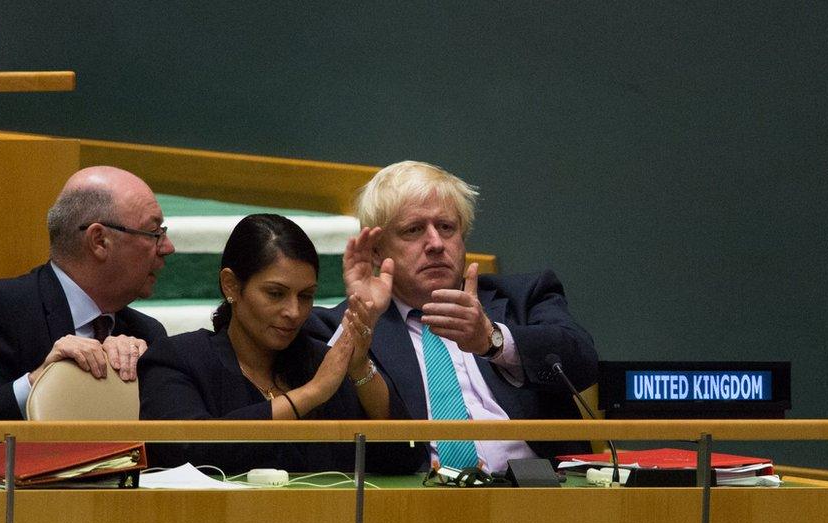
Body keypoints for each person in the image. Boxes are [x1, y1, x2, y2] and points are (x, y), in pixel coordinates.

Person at [305, 160, 599, 474]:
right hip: (418, 502)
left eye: (447, 227)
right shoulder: (338, 327)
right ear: (377, 252)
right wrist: (361, 317)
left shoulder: (523, 298)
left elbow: (583, 364)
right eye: (414, 230)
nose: (435, 244)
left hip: (542, 496)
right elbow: (326, 413)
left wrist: (492, 340)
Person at [139, 214, 419, 474]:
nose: (294, 312)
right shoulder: (178, 358)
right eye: (275, 293)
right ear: (231, 286)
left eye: (306, 296)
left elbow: (403, 458)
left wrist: (359, 369)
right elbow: (184, 452)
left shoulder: (319, 362)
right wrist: (310, 394)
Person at [0, 166, 175, 420]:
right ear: (99, 241)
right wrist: (38, 380)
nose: (168, 247)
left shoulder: (146, 334)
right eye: (154, 233)